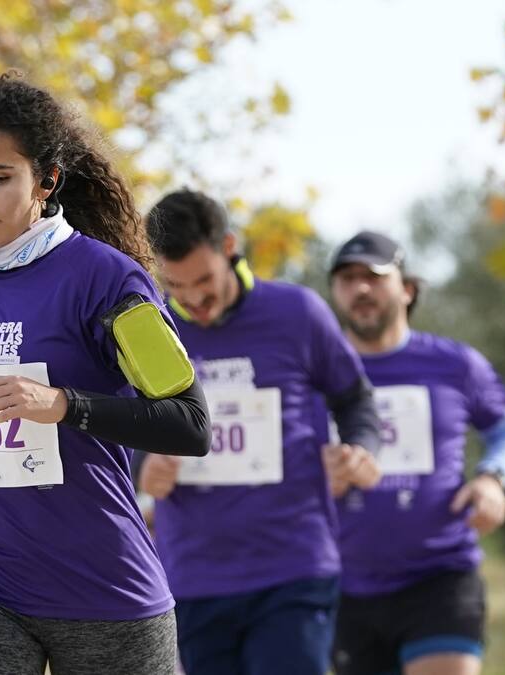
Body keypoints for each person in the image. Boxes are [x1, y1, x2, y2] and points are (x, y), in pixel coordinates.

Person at [0, 72, 210, 675]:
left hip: (101, 584)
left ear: (46, 180)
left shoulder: (109, 280)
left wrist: (63, 404)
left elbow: (189, 423)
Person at [136, 188, 382, 675]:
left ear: (229, 247)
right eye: (175, 285)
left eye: (204, 280)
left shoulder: (298, 313)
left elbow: (356, 399)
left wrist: (360, 449)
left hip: (293, 566)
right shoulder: (151, 326)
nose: (194, 299)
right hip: (194, 575)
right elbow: (122, 423)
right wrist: (143, 465)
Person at [326, 231, 505, 675]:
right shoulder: (317, 374)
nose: (360, 288)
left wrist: (493, 479)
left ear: (407, 288)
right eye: (346, 278)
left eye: (373, 277)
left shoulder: (455, 364)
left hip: (439, 575)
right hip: (342, 585)